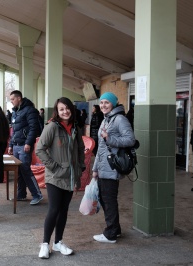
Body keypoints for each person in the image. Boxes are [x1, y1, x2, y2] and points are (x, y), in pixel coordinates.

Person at [36, 97, 85, 259]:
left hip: (70, 176)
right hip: (55, 176)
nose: (65, 111)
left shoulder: (76, 127)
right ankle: (45, 244)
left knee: (63, 210)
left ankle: (58, 243)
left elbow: (80, 149)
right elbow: (40, 149)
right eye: (61, 109)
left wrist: (80, 168)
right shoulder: (52, 127)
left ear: (71, 108)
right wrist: (54, 167)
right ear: (57, 111)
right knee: (54, 209)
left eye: (67, 108)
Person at [92, 92, 135, 244]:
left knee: (109, 200)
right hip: (103, 167)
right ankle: (115, 230)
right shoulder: (106, 120)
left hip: (112, 167)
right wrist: (95, 168)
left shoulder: (120, 119)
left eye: (107, 102)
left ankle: (110, 234)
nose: (103, 105)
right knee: (105, 199)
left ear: (113, 104)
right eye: (102, 102)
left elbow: (130, 140)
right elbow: (101, 148)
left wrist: (110, 138)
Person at [7, 90, 43, 205]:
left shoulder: (29, 110)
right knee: (19, 171)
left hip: (24, 146)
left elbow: (34, 128)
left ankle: (37, 195)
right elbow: (14, 130)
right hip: (16, 145)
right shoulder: (15, 112)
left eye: (12, 99)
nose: (11, 101)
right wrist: (11, 145)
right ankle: (21, 194)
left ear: (19, 98)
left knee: (26, 170)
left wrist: (28, 143)